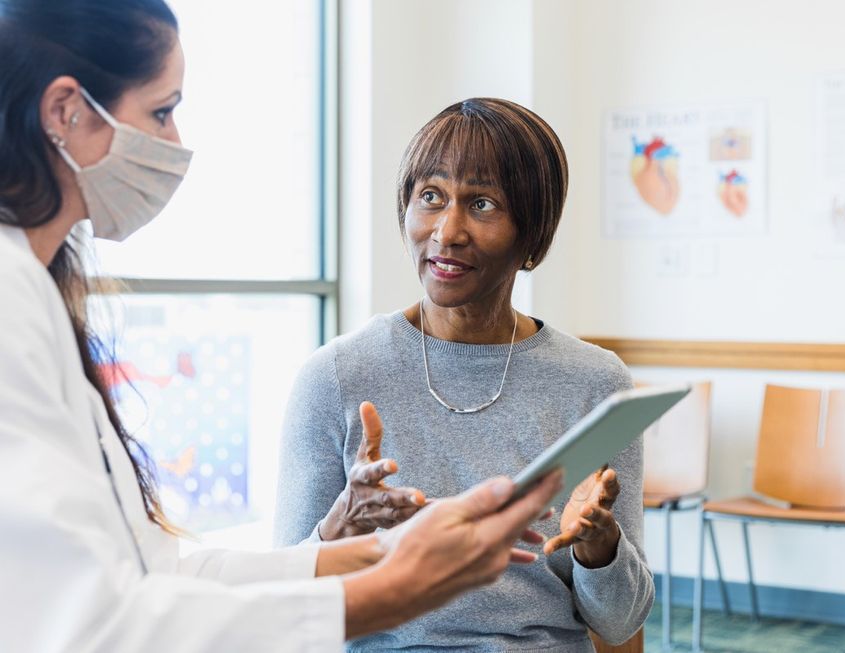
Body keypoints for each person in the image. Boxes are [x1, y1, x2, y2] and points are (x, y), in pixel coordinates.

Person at [0, 2, 564, 651]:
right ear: (65, 111)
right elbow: (94, 624)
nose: (176, 141)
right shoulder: (11, 299)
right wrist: (393, 589)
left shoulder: (34, 289)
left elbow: (161, 571)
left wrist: (386, 548)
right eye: (162, 110)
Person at [274, 98, 654, 651]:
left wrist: (599, 547)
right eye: (430, 196)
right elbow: (283, 605)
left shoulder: (596, 384)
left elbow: (621, 625)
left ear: (534, 233)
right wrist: (343, 525)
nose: (447, 231)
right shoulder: (335, 377)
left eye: (482, 203)